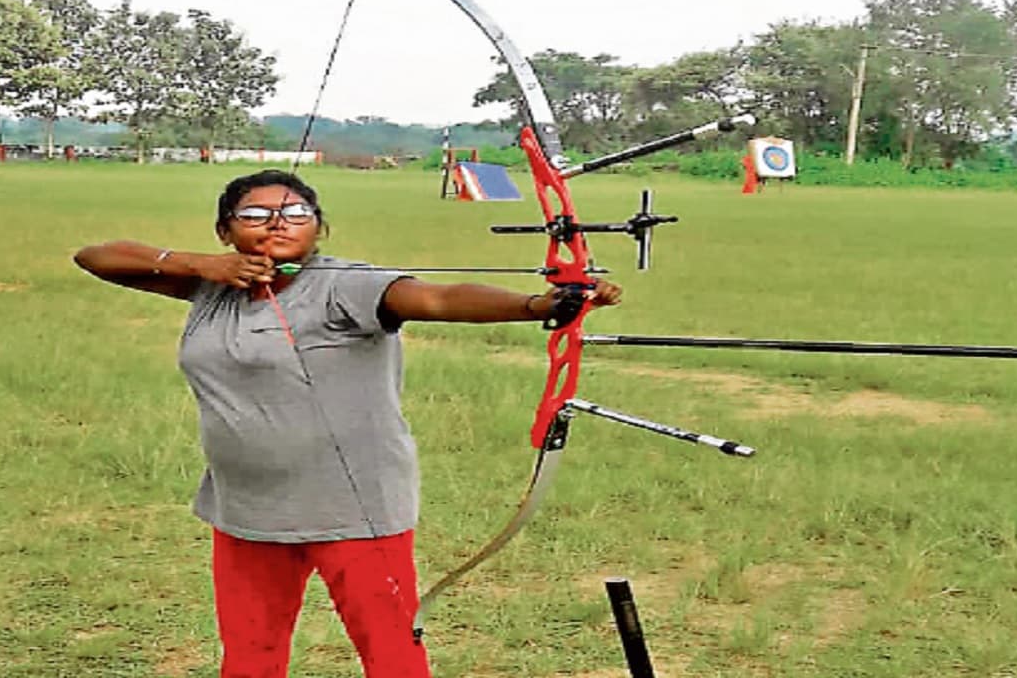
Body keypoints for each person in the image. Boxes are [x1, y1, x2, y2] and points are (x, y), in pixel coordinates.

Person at [73, 169, 622, 678]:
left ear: (320, 226)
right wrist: (199, 265)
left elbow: (435, 296)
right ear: (224, 231)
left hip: (354, 510)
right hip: (246, 508)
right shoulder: (211, 286)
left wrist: (536, 304)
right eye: (255, 214)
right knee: (249, 657)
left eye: (295, 213)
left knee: (391, 656)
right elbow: (94, 256)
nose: (277, 224)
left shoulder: (345, 285)